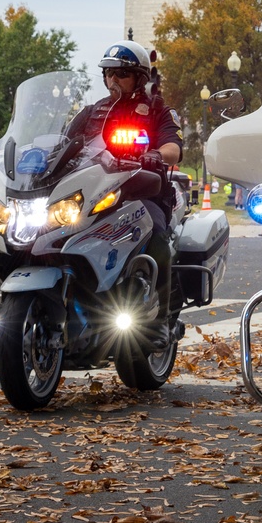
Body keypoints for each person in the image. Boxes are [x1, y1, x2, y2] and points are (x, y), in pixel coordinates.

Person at [69, 41, 183, 350]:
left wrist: (155, 154)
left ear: (140, 77)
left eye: (121, 74)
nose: (112, 81)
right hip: (96, 193)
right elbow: (63, 144)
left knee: (157, 235)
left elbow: (174, 148)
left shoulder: (158, 109)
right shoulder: (92, 112)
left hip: (143, 191)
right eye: (108, 74)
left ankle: (159, 321)